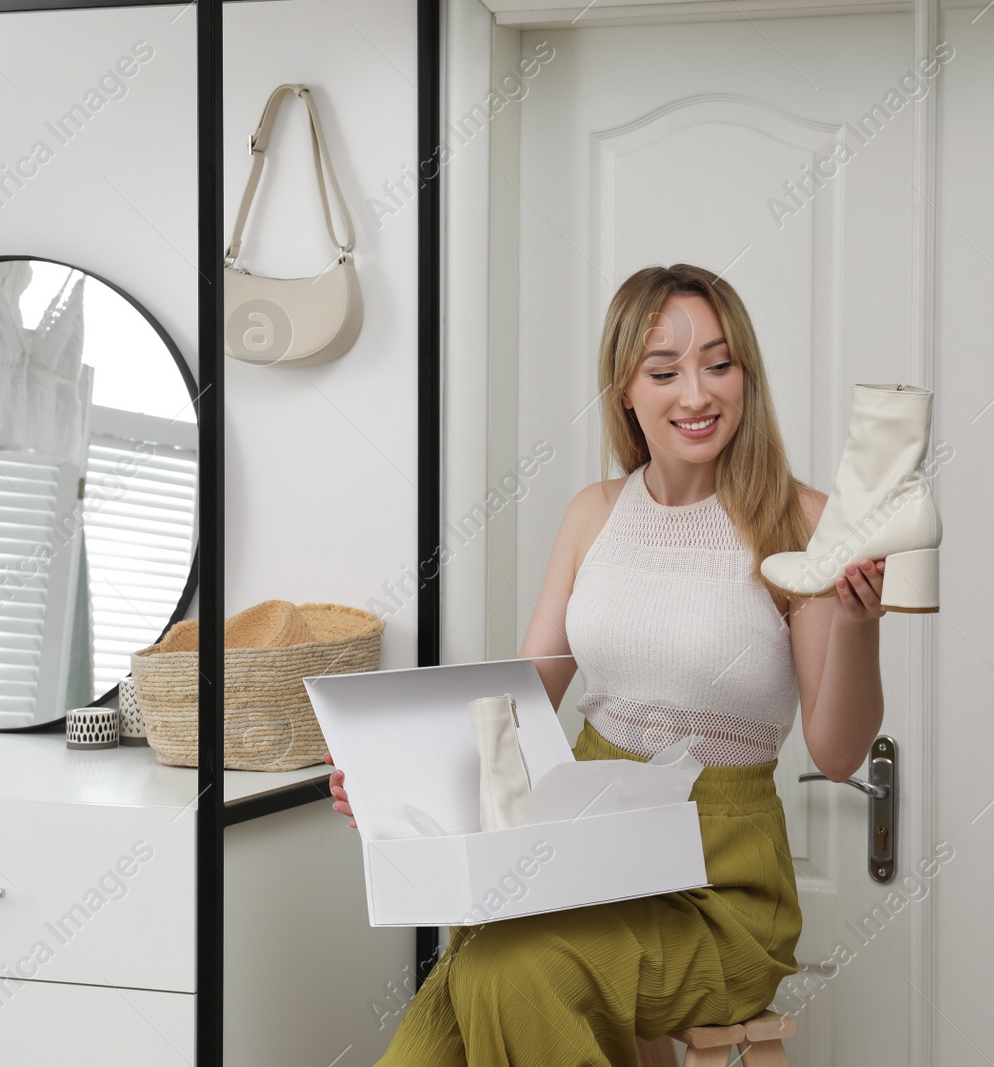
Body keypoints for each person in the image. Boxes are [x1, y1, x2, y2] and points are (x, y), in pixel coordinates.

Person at [324, 263, 887, 1066]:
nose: (696, 394)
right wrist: (387, 783)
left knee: (509, 972)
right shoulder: (595, 513)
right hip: (579, 850)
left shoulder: (801, 521)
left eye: (719, 364)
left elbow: (837, 753)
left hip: (719, 886)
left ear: (745, 375)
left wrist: (863, 628)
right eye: (665, 371)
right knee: (439, 1031)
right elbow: (518, 708)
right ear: (626, 387)